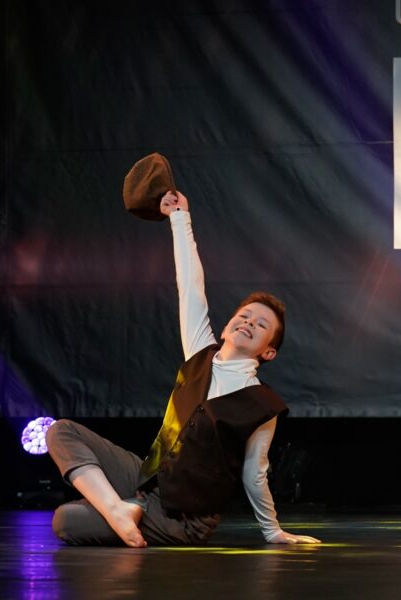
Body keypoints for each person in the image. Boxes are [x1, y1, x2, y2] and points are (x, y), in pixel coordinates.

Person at [45, 190, 320, 547]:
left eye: (261, 325)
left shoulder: (262, 407)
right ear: (225, 328)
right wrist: (179, 218)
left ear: (268, 353)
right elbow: (190, 285)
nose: (249, 322)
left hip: (184, 518)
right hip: (145, 478)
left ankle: (118, 509)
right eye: (244, 315)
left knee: (66, 520)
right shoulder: (199, 353)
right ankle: (117, 508)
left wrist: (273, 531)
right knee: (61, 431)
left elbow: (255, 474)